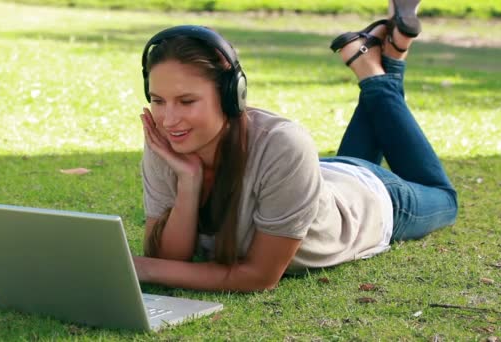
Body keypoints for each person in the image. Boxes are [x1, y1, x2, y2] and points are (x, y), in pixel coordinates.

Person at [132, 0, 458, 293]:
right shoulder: (171, 142)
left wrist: (144, 268)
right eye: (158, 100)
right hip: (319, 182)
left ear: (232, 95)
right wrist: (189, 182)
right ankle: (390, 53)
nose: (169, 119)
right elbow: (170, 260)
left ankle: (372, 72)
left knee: (446, 199)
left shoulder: (284, 144)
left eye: (187, 101)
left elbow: (259, 277)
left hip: (372, 200)